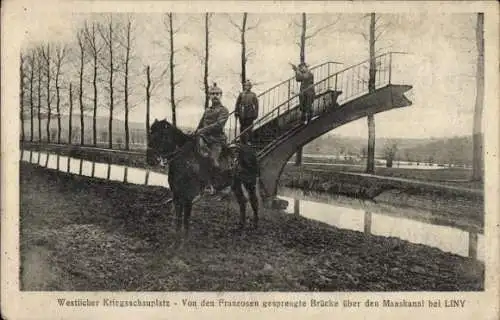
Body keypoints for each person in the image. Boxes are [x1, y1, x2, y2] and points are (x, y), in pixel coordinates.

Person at [196, 83, 229, 169]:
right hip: (203, 138)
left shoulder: (224, 110)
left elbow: (218, 125)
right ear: (209, 96)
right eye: (212, 94)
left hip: (216, 139)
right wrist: (195, 132)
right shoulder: (207, 110)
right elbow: (201, 123)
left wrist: (202, 130)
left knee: (213, 162)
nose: (215, 96)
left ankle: (216, 180)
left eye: (217, 94)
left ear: (220, 96)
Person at [235, 80, 259, 144]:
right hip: (242, 112)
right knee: (242, 127)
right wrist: (236, 111)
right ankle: (242, 141)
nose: (247, 87)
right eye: (246, 85)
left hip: (250, 113)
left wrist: (256, 113)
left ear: (250, 87)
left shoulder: (253, 95)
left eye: (248, 85)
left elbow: (256, 105)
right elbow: (237, 103)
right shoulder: (241, 94)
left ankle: (250, 141)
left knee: (249, 127)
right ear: (244, 86)